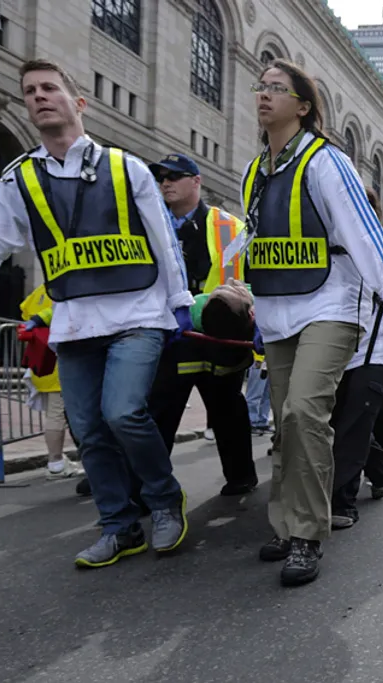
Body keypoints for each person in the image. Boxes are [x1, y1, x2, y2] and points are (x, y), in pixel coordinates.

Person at [0, 59, 194, 568]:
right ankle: (118, 526)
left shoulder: (125, 167)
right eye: (29, 91)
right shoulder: (18, 179)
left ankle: (163, 501)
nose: (39, 96)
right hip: (75, 325)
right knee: (87, 430)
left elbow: (164, 241)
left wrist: (179, 305)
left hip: (137, 316)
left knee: (123, 413)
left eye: (50, 88)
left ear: (78, 102)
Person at [241, 59, 383, 586]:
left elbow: (364, 229)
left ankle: (307, 535)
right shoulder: (257, 170)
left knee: (303, 413)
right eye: (261, 86)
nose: (265, 94)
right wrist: (252, 302)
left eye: (278, 88)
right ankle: (286, 521)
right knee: (282, 425)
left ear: (303, 106)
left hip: (330, 307)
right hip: (276, 314)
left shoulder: (325, 161)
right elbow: (255, 243)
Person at [147, 152, 257, 496]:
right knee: (160, 411)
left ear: (197, 182)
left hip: (220, 339)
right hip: (171, 335)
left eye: (175, 176)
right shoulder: (147, 223)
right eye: (161, 176)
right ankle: (150, 487)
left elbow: (252, 280)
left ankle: (241, 477)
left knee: (227, 410)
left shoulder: (230, 227)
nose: (166, 182)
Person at [330, 187, 383, 529]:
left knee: (353, 423)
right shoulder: (324, 247)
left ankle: (341, 502)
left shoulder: (380, 253)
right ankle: (382, 468)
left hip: (375, 352)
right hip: (332, 350)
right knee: (338, 423)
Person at [148, 280, 259, 495]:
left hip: (197, 350)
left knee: (165, 418)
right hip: (193, 349)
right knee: (166, 417)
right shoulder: (246, 303)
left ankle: (149, 488)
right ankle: (241, 478)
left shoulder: (249, 301)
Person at [18, 283, 78, 478]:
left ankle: (57, 461)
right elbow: (63, 310)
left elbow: (24, 311)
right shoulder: (63, 288)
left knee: (54, 415)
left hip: (41, 362)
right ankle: (56, 463)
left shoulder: (38, 293)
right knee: (58, 415)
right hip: (60, 361)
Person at [246, 351, 272, 434]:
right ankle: (251, 421)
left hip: (270, 358)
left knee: (267, 394)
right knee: (254, 393)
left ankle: (262, 422)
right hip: (259, 359)